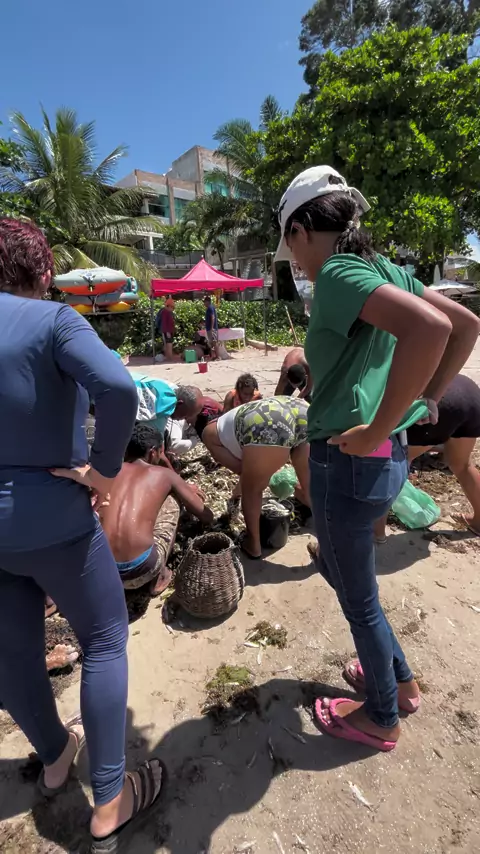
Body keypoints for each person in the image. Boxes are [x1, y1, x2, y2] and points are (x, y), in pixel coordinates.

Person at [274, 165, 480, 751]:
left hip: (349, 457)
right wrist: (425, 400)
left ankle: (383, 715)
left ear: (302, 230)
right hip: (385, 460)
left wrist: (382, 424)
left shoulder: (339, 272)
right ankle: (402, 682)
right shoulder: (383, 268)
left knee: (354, 595)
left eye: (291, 246)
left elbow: (434, 327)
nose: (295, 262)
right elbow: (464, 325)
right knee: (352, 582)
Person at [0, 218, 166, 850]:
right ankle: (109, 799)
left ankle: (54, 757)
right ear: (44, 272)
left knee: (13, 654)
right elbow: (118, 387)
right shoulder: (55, 321)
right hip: (55, 519)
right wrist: (102, 472)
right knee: (103, 640)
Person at [98, 424, 213, 595]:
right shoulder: (164, 474)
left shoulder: (109, 471)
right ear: (153, 453)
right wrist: (187, 493)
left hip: (100, 570)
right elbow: (205, 515)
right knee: (172, 499)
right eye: (161, 452)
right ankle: (160, 575)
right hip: (142, 569)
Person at [374, 373, 480, 542]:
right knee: (463, 465)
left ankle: (377, 533)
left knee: (392, 465)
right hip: (468, 392)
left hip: (436, 403)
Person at [202, 397, 311, 558]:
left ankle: (253, 545)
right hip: (301, 410)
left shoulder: (208, 435)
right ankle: (329, 534)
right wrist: (236, 493)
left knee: (252, 490)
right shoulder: (231, 418)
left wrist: (245, 488)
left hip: (266, 425)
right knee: (309, 487)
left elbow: (244, 473)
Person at [155, 297, 176, 361]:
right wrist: (167, 332)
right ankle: (170, 358)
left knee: (167, 344)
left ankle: (168, 357)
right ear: (169, 306)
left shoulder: (167, 312)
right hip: (167, 331)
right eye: (172, 307)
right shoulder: (165, 312)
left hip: (168, 331)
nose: (173, 309)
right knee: (169, 344)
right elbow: (164, 323)